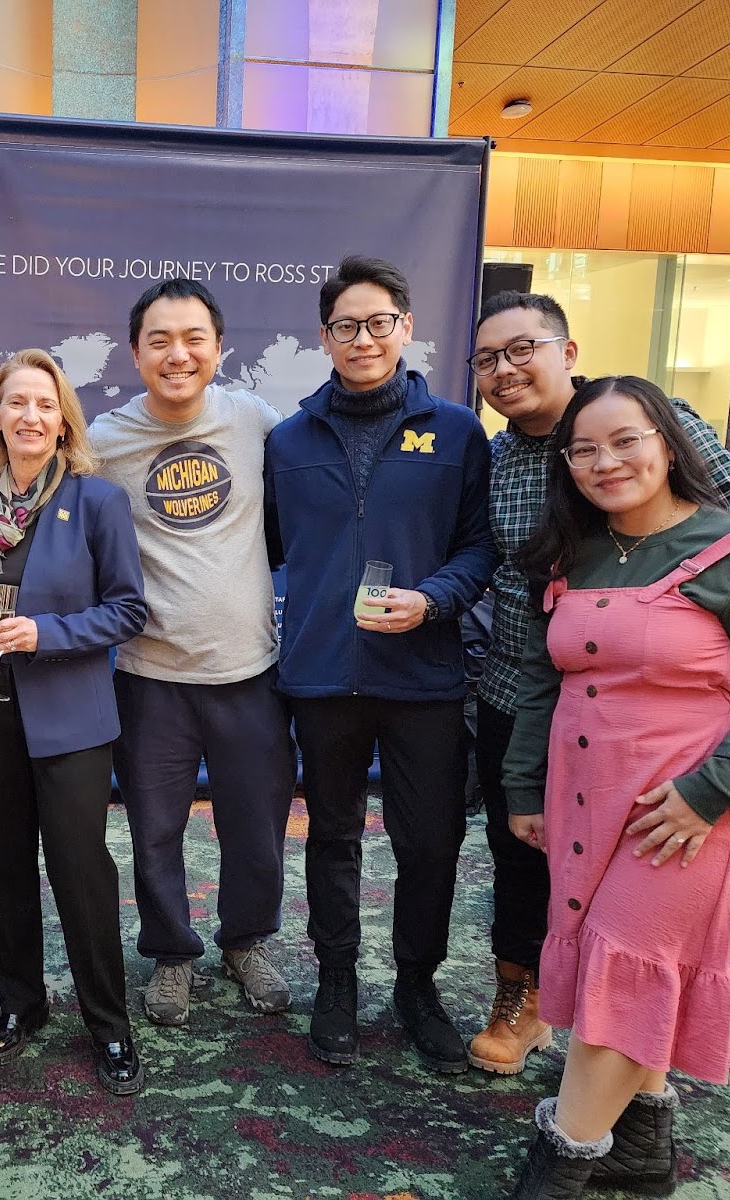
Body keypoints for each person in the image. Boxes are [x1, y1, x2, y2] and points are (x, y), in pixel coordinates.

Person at [499, 376, 730, 1198]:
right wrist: (525, 785)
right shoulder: (576, 554)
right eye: (583, 449)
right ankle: (640, 1145)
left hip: (687, 813)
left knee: (627, 960)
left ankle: (562, 1166)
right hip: (587, 801)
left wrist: (713, 792)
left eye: (625, 440)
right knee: (630, 966)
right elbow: (543, 680)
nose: (605, 462)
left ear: (670, 442)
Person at [466, 291, 730, 1076]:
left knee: (636, 870)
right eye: (486, 359)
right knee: (523, 861)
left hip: (651, 709)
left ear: (567, 351)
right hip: (524, 692)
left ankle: (630, 1040)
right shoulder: (497, 457)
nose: (505, 370)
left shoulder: (642, 422)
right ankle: (527, 997)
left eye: (523, 348)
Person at [265, 255, 496, 1073]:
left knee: (428, 841)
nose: (360, 339)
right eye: (343, 326)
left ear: (405, 327)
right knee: (330, 836)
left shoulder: (460, 432)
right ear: (323, 336)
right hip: (323, 676)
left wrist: (431, 600)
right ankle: (336, 982)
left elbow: (480, 549)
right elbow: (273, 548)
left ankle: (417, 986)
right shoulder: (288, 439)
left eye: (377, 323)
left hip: (424, 677)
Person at [89, 278, 296, 1030]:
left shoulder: (256, 421)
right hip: (150, 677)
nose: (178, 355)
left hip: (250, 670)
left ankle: (247, 941)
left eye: (194, 339)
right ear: (135, 353)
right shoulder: (105, 441)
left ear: (219, 349)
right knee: (154, 828)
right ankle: (172, 953)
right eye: (160, 341)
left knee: (256, 825)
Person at [0, 349, 148, 1095]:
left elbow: (129, 609)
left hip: (69, 722)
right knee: (1, 869)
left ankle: (109, 1026)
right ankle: (20, 1005)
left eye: (44, 404)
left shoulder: (96, 501)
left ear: (63, 420)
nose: (30, 416)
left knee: (79, 873)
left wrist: (47, 633)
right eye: (16, 403)